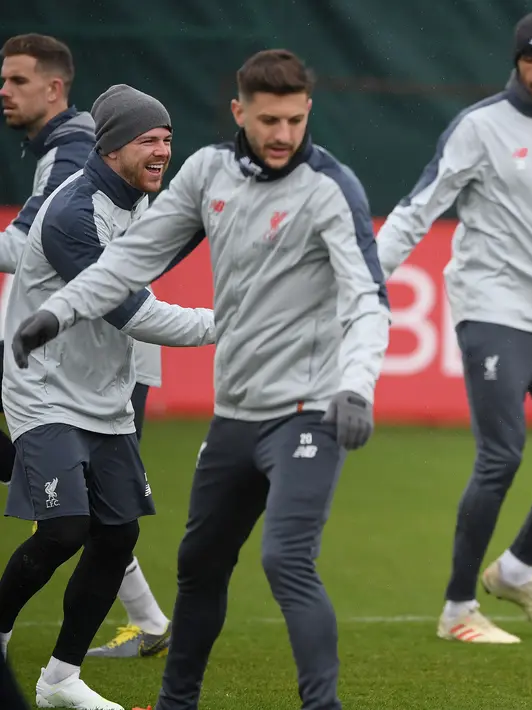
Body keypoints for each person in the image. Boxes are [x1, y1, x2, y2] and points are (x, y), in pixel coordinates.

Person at [9, 49, 390, 710]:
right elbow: (132, 267)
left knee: (284, 562)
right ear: (240, 112)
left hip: (306, 407)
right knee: (193, 566)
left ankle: (319, 707)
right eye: (268, 119)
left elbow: (366, 302)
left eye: (295, 121)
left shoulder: (333, 188)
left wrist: (356, 385)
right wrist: (58, 310)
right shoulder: (202, 175)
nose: (282, 135)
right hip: (221, 414)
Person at [376, 9, 532, 643]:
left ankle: (514, 569)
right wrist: (367, 279)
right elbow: (420, 205)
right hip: (489, 311)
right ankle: (458, 610)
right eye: (530, 59)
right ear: (515, 62)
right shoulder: (479, 126)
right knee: (501, 455)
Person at [0, 84, 215, 710]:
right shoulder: (73, 214)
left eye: (169, 138)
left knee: (117, 538)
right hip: (44, 391)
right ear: (112, 145)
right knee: (66, 529)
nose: (162, 151)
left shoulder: (143, 199)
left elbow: (183, 235)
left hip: (106, 398)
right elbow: (132, 313)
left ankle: (60, 680)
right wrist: (229, 323)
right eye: (149, 139)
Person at [0, 33, 94, 485]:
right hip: (65, 342)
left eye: (18, 80)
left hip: (86, 348)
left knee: (90, 519)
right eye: (4, 80)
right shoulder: (67, 145)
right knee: (92, 522)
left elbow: (24, 249)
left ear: (54, 89)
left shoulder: (72, 151)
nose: (4, 91)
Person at [86, 339, 174, 659]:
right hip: (84, 364)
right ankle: (149, 621)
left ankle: (150, 622)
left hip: (113, 361)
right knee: (88, 507)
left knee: (96, 505)